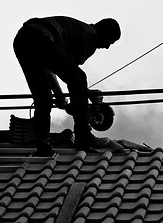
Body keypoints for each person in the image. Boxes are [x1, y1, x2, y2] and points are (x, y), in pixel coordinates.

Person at [13, 16, 121, 156]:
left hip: (24, 39)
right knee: (80, 77)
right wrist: (86, 94)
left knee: (43, 98)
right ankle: (84, 136)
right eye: (110, 42)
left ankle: (43, 146)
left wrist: (60, 95)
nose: (107, 47)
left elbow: (51, 68)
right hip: (40, 37)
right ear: (104, 33)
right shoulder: (90, 35)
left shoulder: (78, 31)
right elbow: (73, 77)